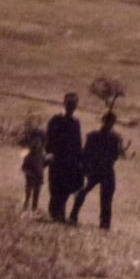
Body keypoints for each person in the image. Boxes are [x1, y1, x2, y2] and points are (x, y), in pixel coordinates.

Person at [70, 112, 122, 230]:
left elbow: (115, 156)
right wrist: (86, 168)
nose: (109, 124)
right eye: (107, 121)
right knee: (82, 192)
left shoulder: (114, 138)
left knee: (107, 197)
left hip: (107, 170)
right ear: (103, 120)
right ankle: (73, 215)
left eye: (112, 122)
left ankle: (104, 223)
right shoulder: (93, 136)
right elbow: (86, 153)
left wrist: (107, 163)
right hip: (94, 169)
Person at [45, 92, 83, 222]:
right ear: (64, 104)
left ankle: (60, 214)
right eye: (69, 104)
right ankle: (54, 214)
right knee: (55, 186)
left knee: (66, 188)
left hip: (70, 160)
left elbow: (78, 142)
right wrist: (49, 154)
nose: (71, 107)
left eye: (73, 104)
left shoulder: (76, 122)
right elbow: (48, 139)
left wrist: (79, 160)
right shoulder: (55, 119)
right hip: (57, 159)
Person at [20, 136, 46, 213]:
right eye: (36, 143)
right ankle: (25, 207)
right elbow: (24, 167)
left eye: (39, 143)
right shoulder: (29, 155)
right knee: (28, 194)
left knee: (36, 194)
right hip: (30, 178)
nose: (37, 145)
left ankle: (34, 209)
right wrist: (29, 173)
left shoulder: (41, 155)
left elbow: (43, 164)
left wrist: (48, 160)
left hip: (39, 177)